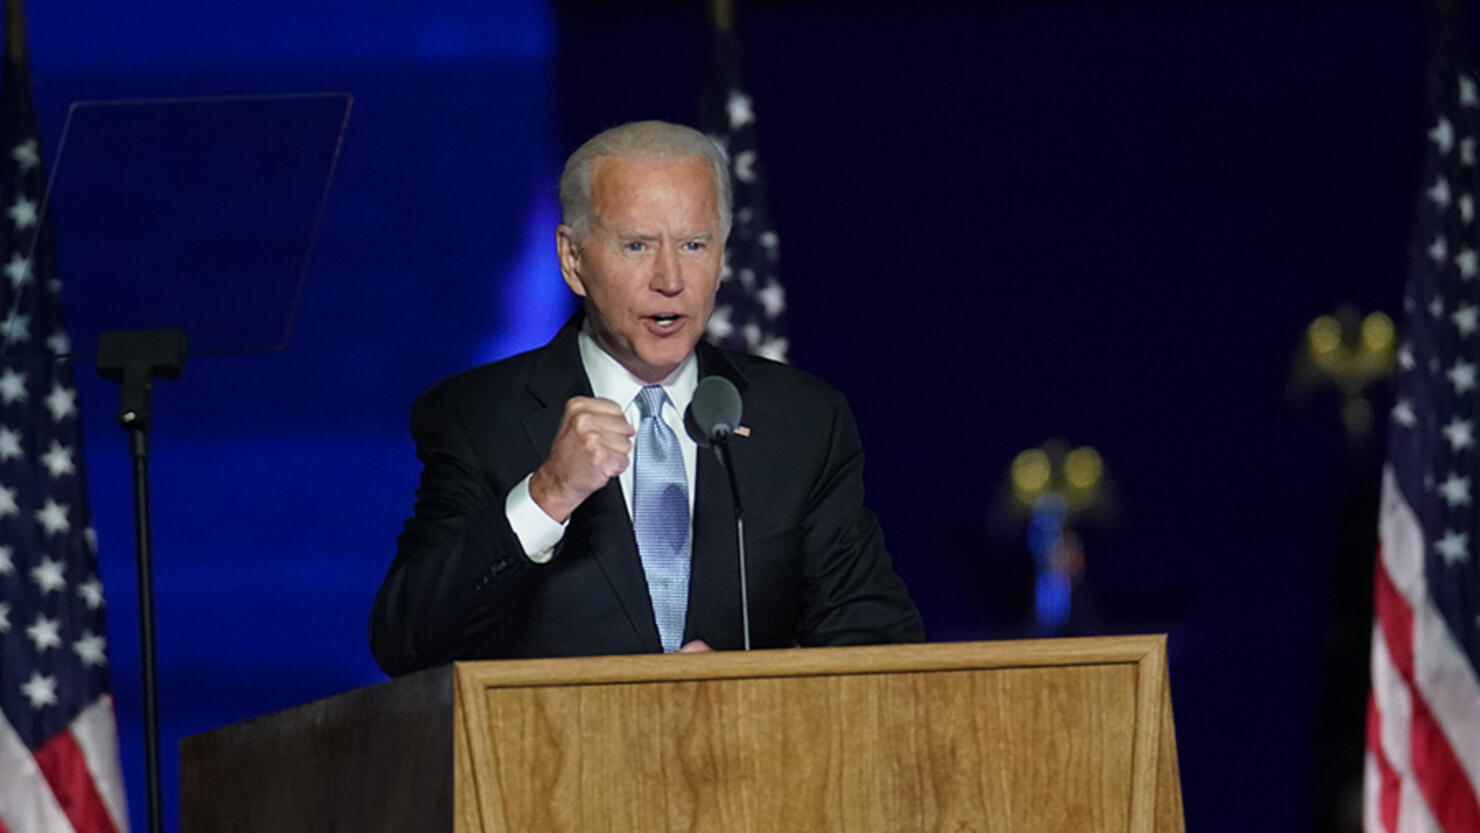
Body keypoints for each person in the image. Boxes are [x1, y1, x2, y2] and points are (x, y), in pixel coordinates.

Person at [369, 120, 922, 675]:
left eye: (693, 245)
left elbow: (876, 639)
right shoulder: (478, 417)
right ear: (573, 258)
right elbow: (408, 643)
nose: (670, 278)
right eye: (637, 245)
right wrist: (549, 494)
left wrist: (757, 687)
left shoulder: (802, 422)